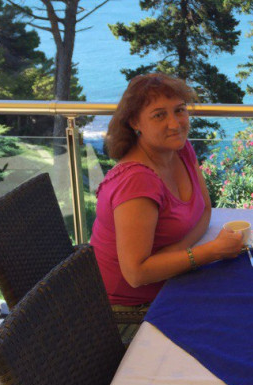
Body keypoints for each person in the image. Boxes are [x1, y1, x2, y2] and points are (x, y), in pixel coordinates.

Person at [91, 73, 244, 316]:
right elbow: (136, 274)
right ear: (135, 122)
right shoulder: (137, 181)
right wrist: (210, 251)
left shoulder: (179, 149)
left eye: (180, 110)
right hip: (129, 306)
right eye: (159, 115)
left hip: (172, 281)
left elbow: (205, 210)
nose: (175, 124)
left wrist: (180, 251)